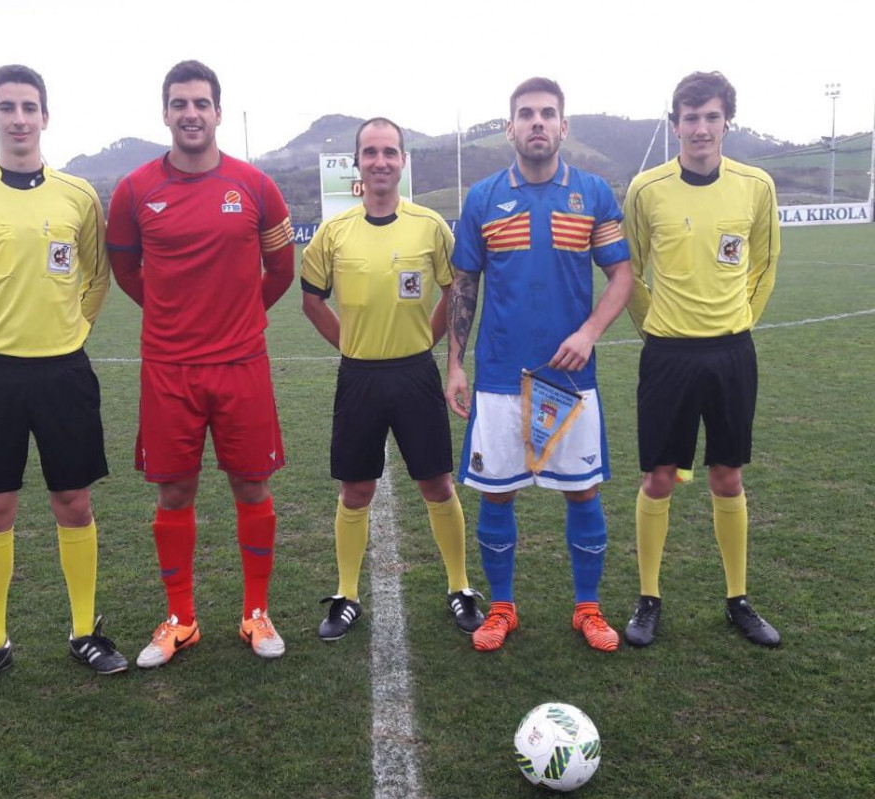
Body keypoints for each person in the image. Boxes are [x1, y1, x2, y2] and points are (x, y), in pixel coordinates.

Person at [0, 64, 123, 695]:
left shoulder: (78, 196)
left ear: (46, 116)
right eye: (7, 106)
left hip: (64, 370)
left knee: (74, 501)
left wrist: (72, 332)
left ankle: (84, 631)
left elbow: (96, 279)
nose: (18, 118)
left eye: (29, 107)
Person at [106, 60, 295, 666]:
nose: (191, 113)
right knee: (174, 492)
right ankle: (181, 620)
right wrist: (174, 314)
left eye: (201, 103)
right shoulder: (135, 191)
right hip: (169, 368)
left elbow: (283, 270)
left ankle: (255, 614)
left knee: (252, 484)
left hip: (241, 363)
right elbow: (127, 272)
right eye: (179, 103)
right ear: (165, 113)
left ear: (217, 111)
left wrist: (239, 314)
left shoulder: (257, 187)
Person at [446, 77, 633, 653]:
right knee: (496, 494)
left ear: (563, 126)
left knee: (583, 493)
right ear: (510, 127)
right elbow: (463, 286)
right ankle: (501, 609)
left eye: (547, 114)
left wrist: (589, 331)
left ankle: (588, 609)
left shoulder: (595, 193)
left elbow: (621, 275)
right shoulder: (482, 199)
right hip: (501, 379)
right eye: (526, 114)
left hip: (570, 378)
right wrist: (455, 365)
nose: (537, 122)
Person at [301, 117, 484, 641]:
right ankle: (347, 594)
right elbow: (311, 300)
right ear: (357, 164)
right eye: (370, 152)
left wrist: (428, 342)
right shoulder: (335, 232)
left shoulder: (429, 226)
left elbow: (455, 291)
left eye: (390, 152)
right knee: (355, 489)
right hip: (358, 377)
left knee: (437, 483)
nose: (380, 160)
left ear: (403, 161)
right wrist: (347, 344)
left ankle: (460, 585)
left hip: (415, 375)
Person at [622, 71, 781, 648]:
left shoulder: (756, 185)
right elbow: (632, 271)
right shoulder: (645, 189)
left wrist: (739, 322)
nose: (701, 128)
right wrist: (654, 329)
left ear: (726, 122)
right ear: (675, 125)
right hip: (667, 353)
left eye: (711, 117)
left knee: (726, 474)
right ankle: (648, 599)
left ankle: (738, 599)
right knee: (660, 475)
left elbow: (765, 263)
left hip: (732, 351)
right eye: (690, 118)